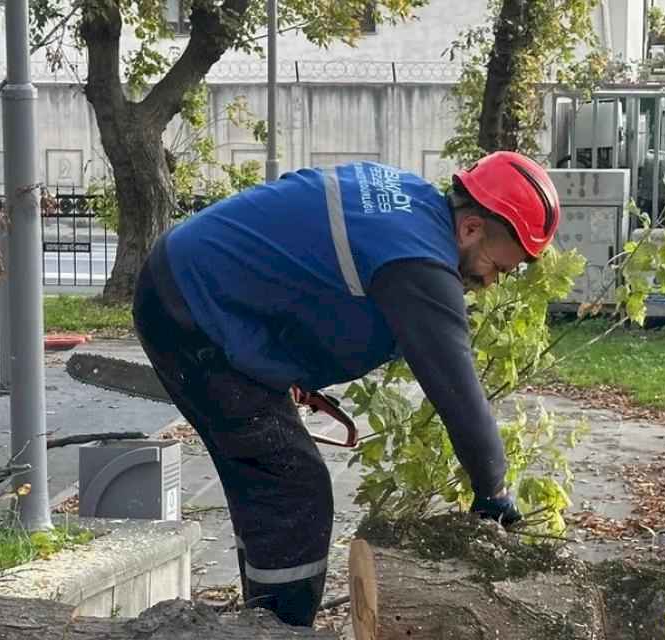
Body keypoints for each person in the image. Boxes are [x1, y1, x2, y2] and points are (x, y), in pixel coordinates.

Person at [132, 150, 562, 627]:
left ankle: (262, 619)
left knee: (267, 481)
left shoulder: (408, 204)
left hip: (195, 292)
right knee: (293, 488)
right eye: (496, 268)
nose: (488, 283)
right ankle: (279, 630)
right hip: (193, 310)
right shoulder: (417, 260)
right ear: (472, 228)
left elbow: (306, 266)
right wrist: (493, 490)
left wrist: (284, 361)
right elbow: (457, 392)